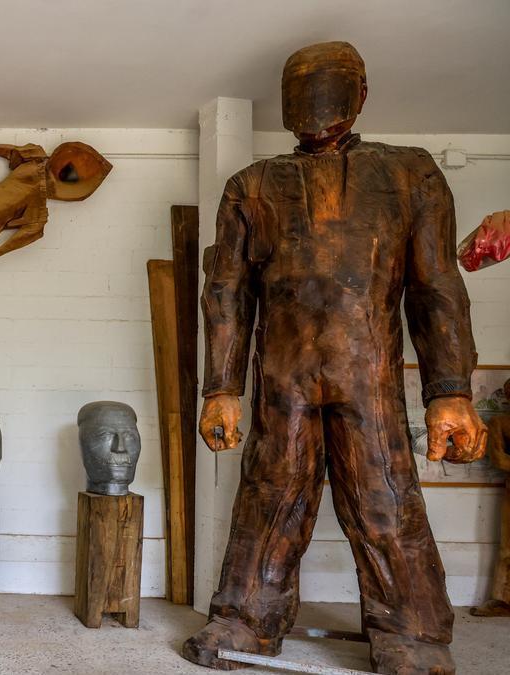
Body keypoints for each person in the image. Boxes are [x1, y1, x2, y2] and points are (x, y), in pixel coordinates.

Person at [184, 42, 486, 675]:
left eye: (328, 85)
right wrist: (221, 388)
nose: (315, 101)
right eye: (303, 87)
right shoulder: (253, 185)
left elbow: (437, 288)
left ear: (361, 94)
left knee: (383, 497)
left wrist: (450, 390)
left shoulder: (409, 174)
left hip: (366, 377)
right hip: (282, 378)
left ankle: (414, 632)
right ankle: (246, 619)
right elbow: (228, 294)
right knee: (269, 496)